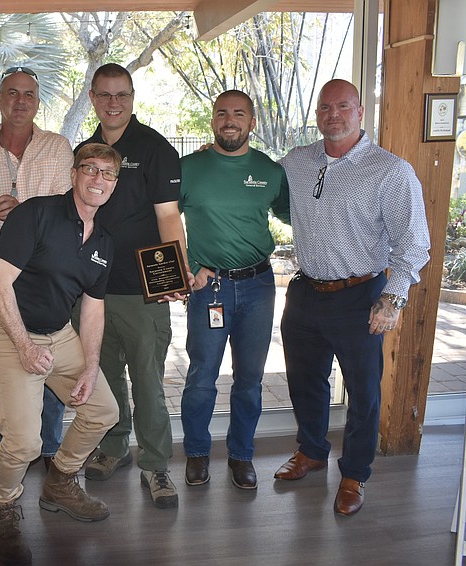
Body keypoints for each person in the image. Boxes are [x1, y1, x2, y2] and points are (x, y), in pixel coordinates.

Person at [275, 79, 430, 516]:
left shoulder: (390, 170)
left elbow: (414, 242)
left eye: (343, 106)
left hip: (361, 295)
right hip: (305, 292)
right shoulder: (296, 162)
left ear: (361, 111)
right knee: (305, 383)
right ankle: (311, 451)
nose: (333, 115)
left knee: (363, 391)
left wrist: (393, 297)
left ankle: (355, 473)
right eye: (325, 107)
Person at [0, 143, 121, 564]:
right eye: (90, 170)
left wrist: (90, 367)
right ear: (74, 174)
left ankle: (60, 481)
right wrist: (23, 345)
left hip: (59, 336)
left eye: (107, 174)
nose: (98, 179)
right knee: (23, 441)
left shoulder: (104, 242)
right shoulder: (36, 214)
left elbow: (93, 308)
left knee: (103, 411)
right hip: (7, 333)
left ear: (114, 184)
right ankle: (2, 506)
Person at [77, 63, 189, 509]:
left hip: (142, 290)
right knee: (104, 378)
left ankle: (157, 465)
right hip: (92, 288)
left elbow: (168, 217)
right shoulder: (86, 150)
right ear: (92, 98)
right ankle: (114, 445)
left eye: (121, 94)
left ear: (133, 97)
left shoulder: (155, 148)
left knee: (146, 381)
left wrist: (173, 276)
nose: (113, 103)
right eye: (104, 95)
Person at [179, 90, 290, 490]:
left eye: (239, 114)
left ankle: (242, 455)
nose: (230, 120)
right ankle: (196, 452)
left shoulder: (270, 171)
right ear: (212, 121)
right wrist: (189, 268)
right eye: (222, 113)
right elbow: (162, 221)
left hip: (259, 287)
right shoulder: (189, 168)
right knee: (201, 377)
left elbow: (303, 217)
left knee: (249, 379)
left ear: (252, 122)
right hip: (209, 288)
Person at [0, 66, 74, 468]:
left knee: (48, 366)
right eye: (12, 93)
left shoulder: (59, 148)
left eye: (28, 94)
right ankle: (12, 453)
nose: (20, 101)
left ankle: (49, 454)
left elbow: (70, 213)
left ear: (38, 101)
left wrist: (25, 211)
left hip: (46, 275)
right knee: (5, 374)